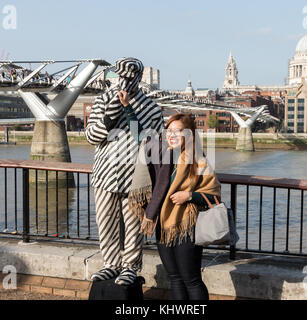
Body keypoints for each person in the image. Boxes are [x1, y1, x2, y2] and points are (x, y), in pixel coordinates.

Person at [85, 57, 164, 286]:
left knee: (133, 227)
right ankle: (110, 264)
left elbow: (150, 144)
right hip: (105, 174)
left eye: (129, 77)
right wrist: (110, 115)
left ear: (138, 78)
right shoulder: (102, 100)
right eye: (121, 76)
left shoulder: (151, 108)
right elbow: (91, 137)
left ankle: (130, 266)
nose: (124, 81)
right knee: (105, 222)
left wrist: (128, 109)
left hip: (135, 178)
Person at [129, 113, 221, 300]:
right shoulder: (161, 154)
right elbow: (139, 134)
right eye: (169, 131)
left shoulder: (198, 160)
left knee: (191, 279)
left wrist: (189, 195)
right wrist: (126, 107)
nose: (172, 135)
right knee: (175, 278)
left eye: (178, 131)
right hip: (163, 225)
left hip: (186, 226)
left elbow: (215, 195)